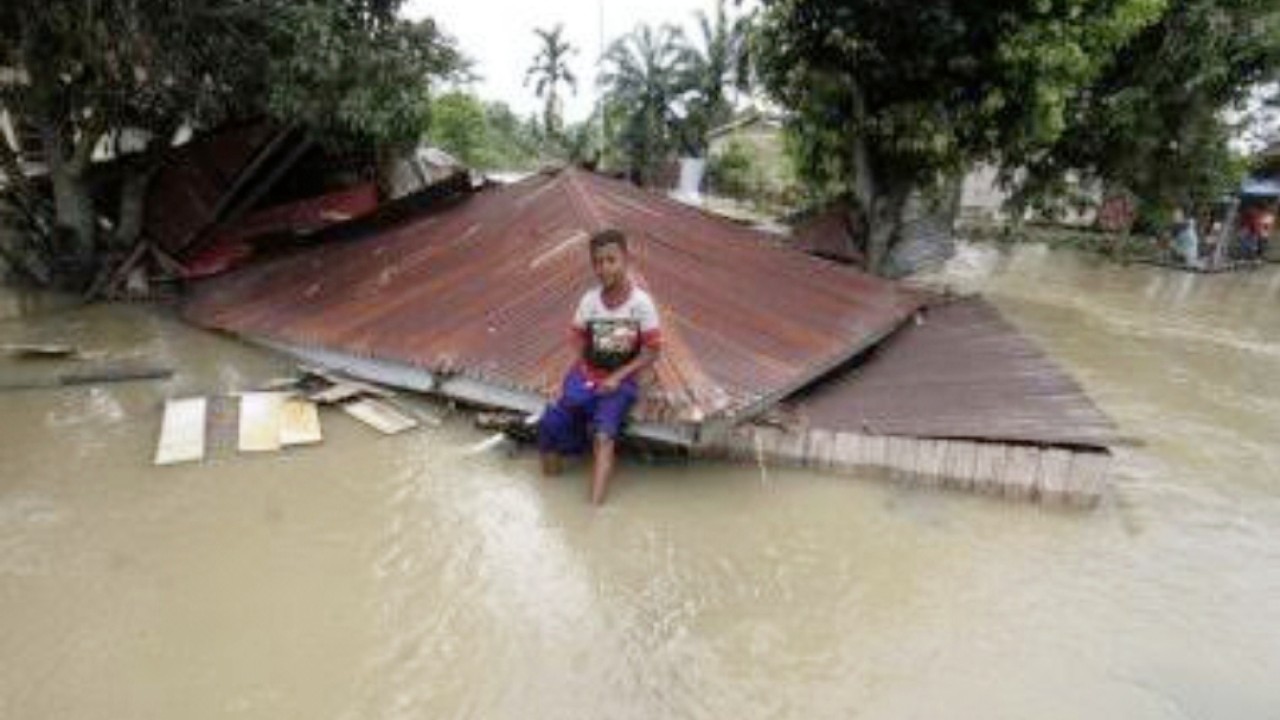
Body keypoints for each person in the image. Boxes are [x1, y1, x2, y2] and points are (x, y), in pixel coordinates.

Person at [537, 228, 662, 505]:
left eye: (611, 260)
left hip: (621, 382)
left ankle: (593, 510)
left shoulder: (641, 304)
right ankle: (550, 493)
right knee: (550, 422)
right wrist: (572, 374)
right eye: (598, 262)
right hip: (586, 375)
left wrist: (618, 376)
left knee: (604, 437)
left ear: (626, 260)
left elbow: (652, 350)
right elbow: (576, 339)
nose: (604, 268)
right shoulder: (589, 301)